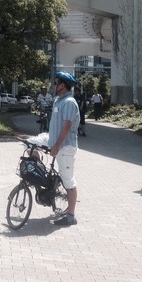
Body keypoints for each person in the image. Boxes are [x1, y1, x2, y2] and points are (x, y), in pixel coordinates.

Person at [48, 71, 80, 226]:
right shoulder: (58, 100)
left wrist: (57, 145)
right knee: (30, 147)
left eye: (55, 83)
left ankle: (71, 216)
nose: (53, 85)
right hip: (56, 144)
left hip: (65, 147)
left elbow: (66, 126)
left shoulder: (69, 102)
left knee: (68, 180)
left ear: (62, 85)